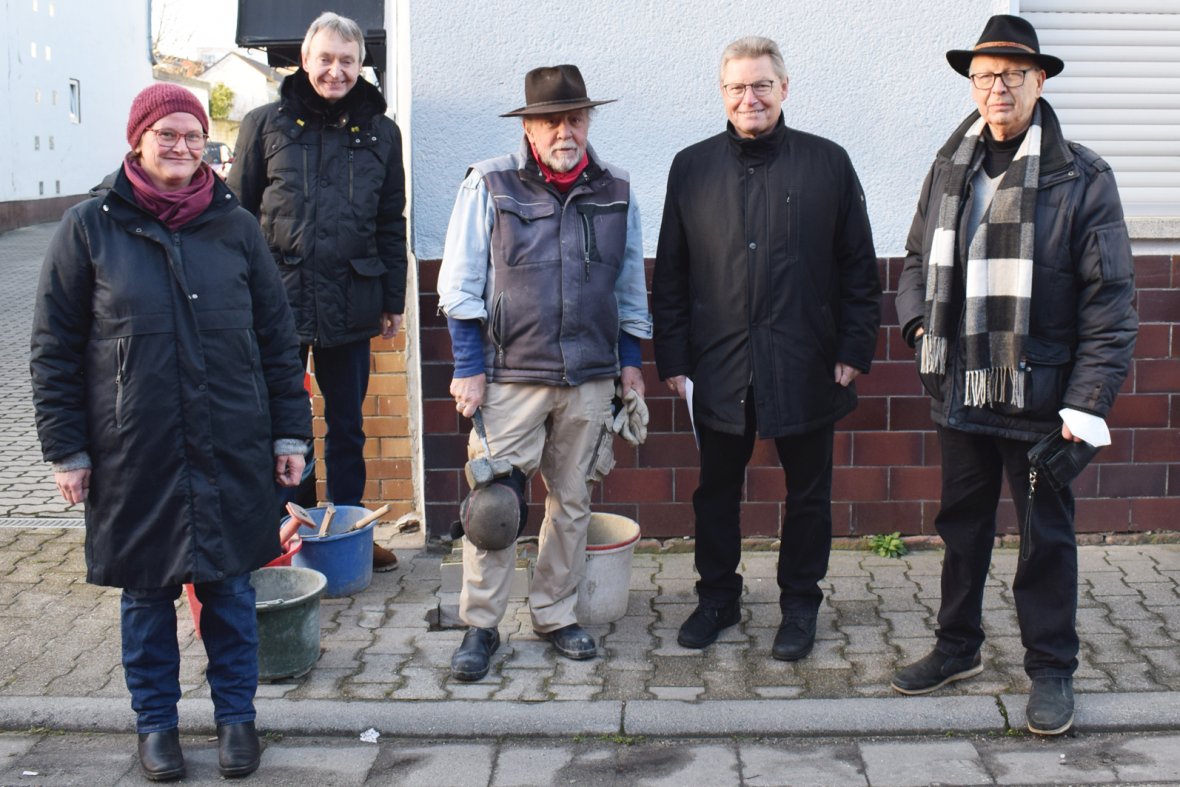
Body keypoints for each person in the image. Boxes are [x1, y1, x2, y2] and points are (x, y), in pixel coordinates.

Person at [30, 83, 312, 781]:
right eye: (167, 135)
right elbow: (54, 348)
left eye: (192, 135)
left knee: (231, 589)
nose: (182, 148)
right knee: (147, 594)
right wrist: (67, 449)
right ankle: (155, 725)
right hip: (135, 450)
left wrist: (289, 435)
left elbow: (278, 340)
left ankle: (236, 720)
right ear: (138, 141)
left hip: (229, 442)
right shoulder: (89, 226)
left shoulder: (234, 224)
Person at [892, 15, 1137, 736]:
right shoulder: (950, 163)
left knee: (1045, 540)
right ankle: (957, 645)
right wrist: (917, 328)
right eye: (983, 76)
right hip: (960, 388)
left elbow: (1112, 303)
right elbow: (912, 260)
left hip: (1040, 396)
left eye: (1010, 75)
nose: (995, 88)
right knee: (961, 526)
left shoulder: (1082, 178)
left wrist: (1086, 407)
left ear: (1040, 81)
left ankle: (1052, 668)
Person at [652, 36, 880, 662]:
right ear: (722, 95)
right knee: (715, 492)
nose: (748, 98)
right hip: (719, 364)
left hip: (807, 361)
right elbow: (671, 272)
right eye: (736, 88)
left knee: (808, 493)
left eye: (760, 86)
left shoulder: (828, 163)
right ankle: (717, 598)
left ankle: (800, 605)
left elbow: (859, 267)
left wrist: (855, 348)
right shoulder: (691, 167)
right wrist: (672, 359)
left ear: (784, 89)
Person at [437, 64, 651, 681]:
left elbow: (630, 285)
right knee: (494, 507)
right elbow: (459, 285)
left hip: (588, 377)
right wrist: (470, 369)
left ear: (588, 122)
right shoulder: (490, 184)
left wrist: (630, 366)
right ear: (529, 127)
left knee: (573, 502)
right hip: (509, 376)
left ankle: (556, 614)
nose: (565, 130)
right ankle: (481, 626)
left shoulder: (617, 189)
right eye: (551, 119)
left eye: (576, 117)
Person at [228, 11, 407, 571]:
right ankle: (291, 534)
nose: (336, 71)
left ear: (361, 65)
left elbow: (389, 220)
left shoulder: (382, 132)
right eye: (325, 59)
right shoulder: (264, 125)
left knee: (348, 425)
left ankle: (349, 528)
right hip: (276, 304)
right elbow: (235, 216)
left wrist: (394, 301)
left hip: (352, 301)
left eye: (347, 61)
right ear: (305, 61)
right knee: (285, 425)